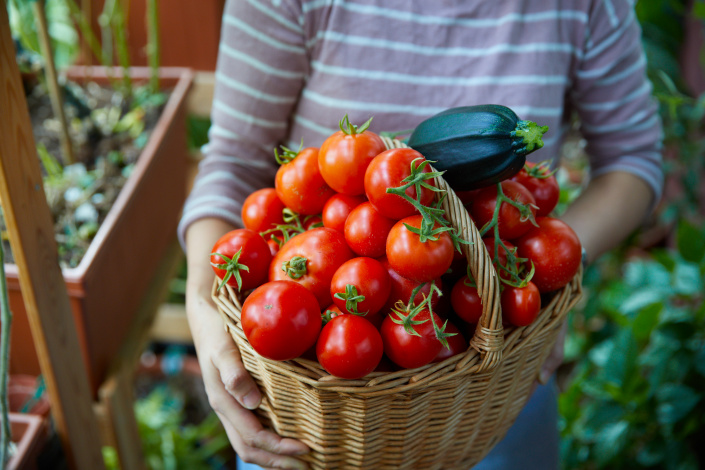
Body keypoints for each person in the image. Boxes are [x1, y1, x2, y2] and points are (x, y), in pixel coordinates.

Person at [178, 1, 663, 468]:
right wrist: (202, 301)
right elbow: (234, 160)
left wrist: (541, 268)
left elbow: (631, 159)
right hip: (309, 412)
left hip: (498, 377)